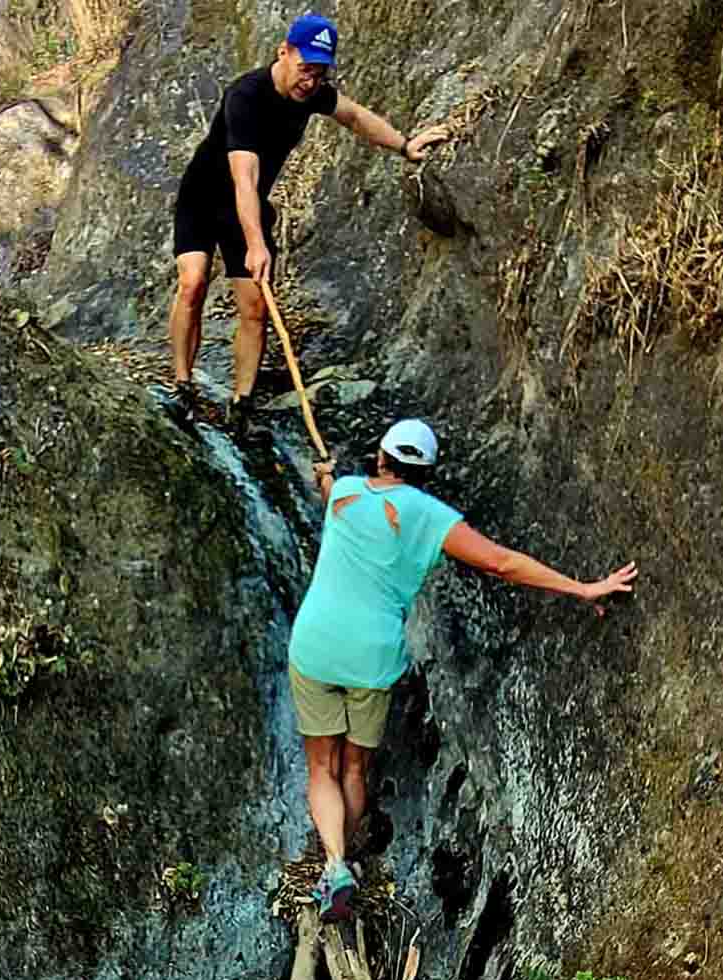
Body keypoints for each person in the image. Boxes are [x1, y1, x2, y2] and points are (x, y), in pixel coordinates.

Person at [288, 419, 638, 923]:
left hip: (316, 644)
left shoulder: (344, 491)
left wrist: (322, 475)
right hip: (371, 655)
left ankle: (336, 863)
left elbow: (327, 488)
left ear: (381, 458)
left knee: (321, 766)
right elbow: (501, 562)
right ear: (425, 473)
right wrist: (582, 588)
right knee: (354, 768)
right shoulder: (433, 518)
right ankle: (342, 861)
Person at [169, 14, 442, 433]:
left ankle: (241, 406)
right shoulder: (245, 96)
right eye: (305, 68)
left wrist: (405, 145)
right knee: (193, 282)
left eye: (319, 72)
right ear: (284, 52)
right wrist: (256, 243)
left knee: (256, 306)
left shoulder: (312, 94)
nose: (311, 80)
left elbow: (355, 116)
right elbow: (244, 178)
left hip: (248, 205)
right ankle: (183, 387)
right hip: (204, 199)